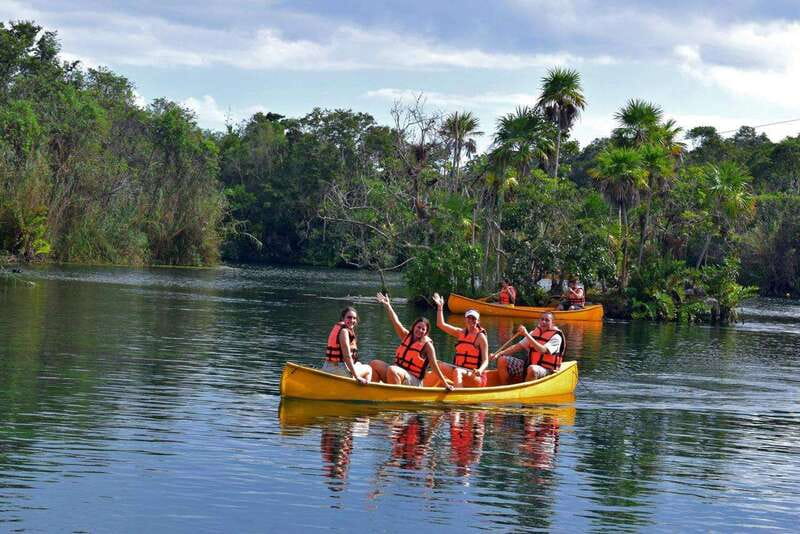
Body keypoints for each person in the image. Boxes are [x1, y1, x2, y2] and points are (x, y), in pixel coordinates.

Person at [369, 293, 454, 390]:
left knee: (393, 370)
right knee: (374, 364)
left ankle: (395, 398)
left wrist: (445, 383)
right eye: (418, 327)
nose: (420, 330)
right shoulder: (405, 335)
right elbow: (395, 321)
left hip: (414, 381)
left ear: (426, 332)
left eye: (423, 329)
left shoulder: (427, 346)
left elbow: (434, 366)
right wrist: (388, 305)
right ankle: (374, 391)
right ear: (414, 327)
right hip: (398, 373)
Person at [431, 292, 489, 388]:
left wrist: (480, 370)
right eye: (469, 318)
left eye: (474, 318)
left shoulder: (481, 337)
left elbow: (486, 361)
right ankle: (434, 387)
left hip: (476, 377)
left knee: (458, 371)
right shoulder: (460, 333)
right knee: (437, 364)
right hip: (459, 371)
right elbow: (440, 324)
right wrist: (440, 307)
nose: (471, 320)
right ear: (465, 319)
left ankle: (458, 398)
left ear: (478, 321)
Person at [491, 312, 565, 384]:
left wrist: (526, 334)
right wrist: (498, 354)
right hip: (529, 366)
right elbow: (516, 347)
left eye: (547, 320)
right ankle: (505, 387)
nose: (543, 322)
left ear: (553, 322)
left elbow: (543, 350)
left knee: (532, 369)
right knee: (502, 360)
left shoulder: (556, 337)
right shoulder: (534, 333)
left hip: (547, 370)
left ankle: (524, 392)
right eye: (542, 319)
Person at [323, 306, 372, 384]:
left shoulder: (340, 328)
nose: (352, 320)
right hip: (338, 370)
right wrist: (357, 376)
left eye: (354, 318)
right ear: (343, 318)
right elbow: (347, 357)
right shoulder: (344, 331)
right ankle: (365, 392)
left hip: (328, 367)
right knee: (368, 369)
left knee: (359, 364)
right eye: (349, 317)